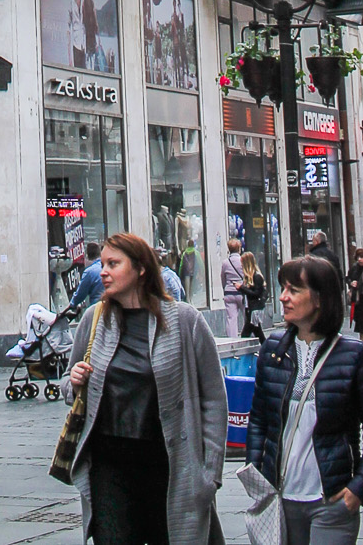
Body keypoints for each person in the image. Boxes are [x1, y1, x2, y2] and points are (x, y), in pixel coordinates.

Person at [62, 230, 227, 545]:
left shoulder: (184, 320)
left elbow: (215, 399)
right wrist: (73, 380)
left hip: (167, 463)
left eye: (113, 264)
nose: (103, 271)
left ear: (140, 269)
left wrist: (211, 473)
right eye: (102, 263)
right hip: (110, 465)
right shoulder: (93, 320)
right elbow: (69, 386)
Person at [246, 254, 363, 545]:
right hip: (279, 499)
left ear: (320, 299)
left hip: (331, 500)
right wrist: (256, 476)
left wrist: (359, 489)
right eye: (283, 288)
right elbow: (259, 419)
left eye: (294, 290)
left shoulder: (354, 356)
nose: (284, 297)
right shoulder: (272, 351)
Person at [221, 238, 247, 339]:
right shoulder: (243, 261)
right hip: (242, 292)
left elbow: (223, 277)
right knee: (247, 317)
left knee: (231, 318)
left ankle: (232, 340)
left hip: (229, 293)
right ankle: (247, 337)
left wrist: (225, 288)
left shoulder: (225, 263)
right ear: (239, 248)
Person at [241, 253, 268, 340]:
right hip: (250, 309)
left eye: (242, 263)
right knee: (258, 332)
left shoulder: (257, 276)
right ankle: (267, 350)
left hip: (254, 309)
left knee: (246, 334)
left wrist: (242, 288)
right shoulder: (249, 277)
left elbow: (256, 293)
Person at [74, 244, 104, 312]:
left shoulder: (89, 272)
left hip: (96, 310)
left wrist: (71, 306)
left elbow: (79, 295)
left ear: (87, 256)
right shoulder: (107, 269)